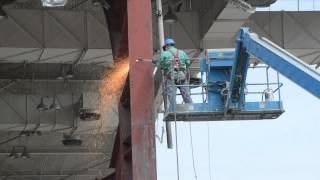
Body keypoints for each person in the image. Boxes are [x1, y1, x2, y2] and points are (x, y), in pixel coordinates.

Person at [160, 38, 193, 112]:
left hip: (171, 77)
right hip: (182, 76)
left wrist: (165, 68)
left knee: (171, 96)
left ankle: (174, 110)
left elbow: (162, 65)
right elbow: (187, 62)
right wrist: (184, 69)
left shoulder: (164, 53)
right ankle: (191, 107)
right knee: (186, 94)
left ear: (166, 46)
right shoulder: (182, 52)